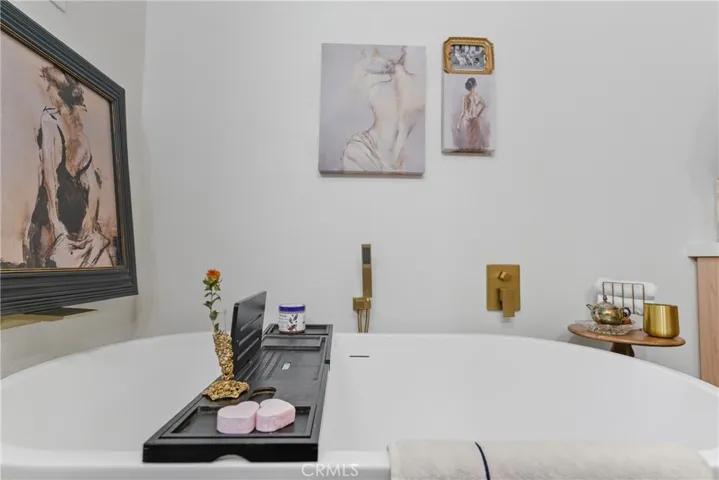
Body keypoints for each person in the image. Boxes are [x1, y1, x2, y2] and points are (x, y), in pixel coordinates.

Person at [24, 66, 111, 268]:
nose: (47, 89)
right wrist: (88, 224)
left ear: (61, 93)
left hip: (55, 223)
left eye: (51, 86)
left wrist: (57, 224)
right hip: (70, 223)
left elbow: (50, 179)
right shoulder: (79, 130)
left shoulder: (49, 120)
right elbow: (91, 187)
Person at [455, 77, 487, 150]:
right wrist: (478, 113)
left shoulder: (465, 97)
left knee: (470, 140)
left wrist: (459, 123)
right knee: (475, 140)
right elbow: (484, 104)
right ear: (474, 85)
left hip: (467, 119)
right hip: (475, 119)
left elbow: (463, 111)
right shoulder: (477, 96)